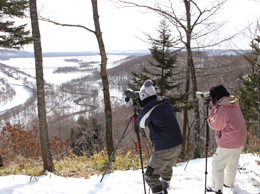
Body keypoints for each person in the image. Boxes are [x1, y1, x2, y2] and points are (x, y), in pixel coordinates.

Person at [136, 79, 183, 194]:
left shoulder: (150, 107)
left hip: (164, 147)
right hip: (177, 144)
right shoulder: (164, 101)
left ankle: (159, 191)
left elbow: (141, 123)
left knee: (150, 176)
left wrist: (140, 110)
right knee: (166, 167)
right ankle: (165, 187)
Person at [206, 85, 247, 194]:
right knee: (232, 162)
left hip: (230, 142)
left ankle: (216, 188)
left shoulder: (223, 108)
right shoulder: (232, 103)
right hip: (240, 139)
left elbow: (215, 125)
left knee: (217, 164)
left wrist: (210, 113)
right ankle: (228, 183)